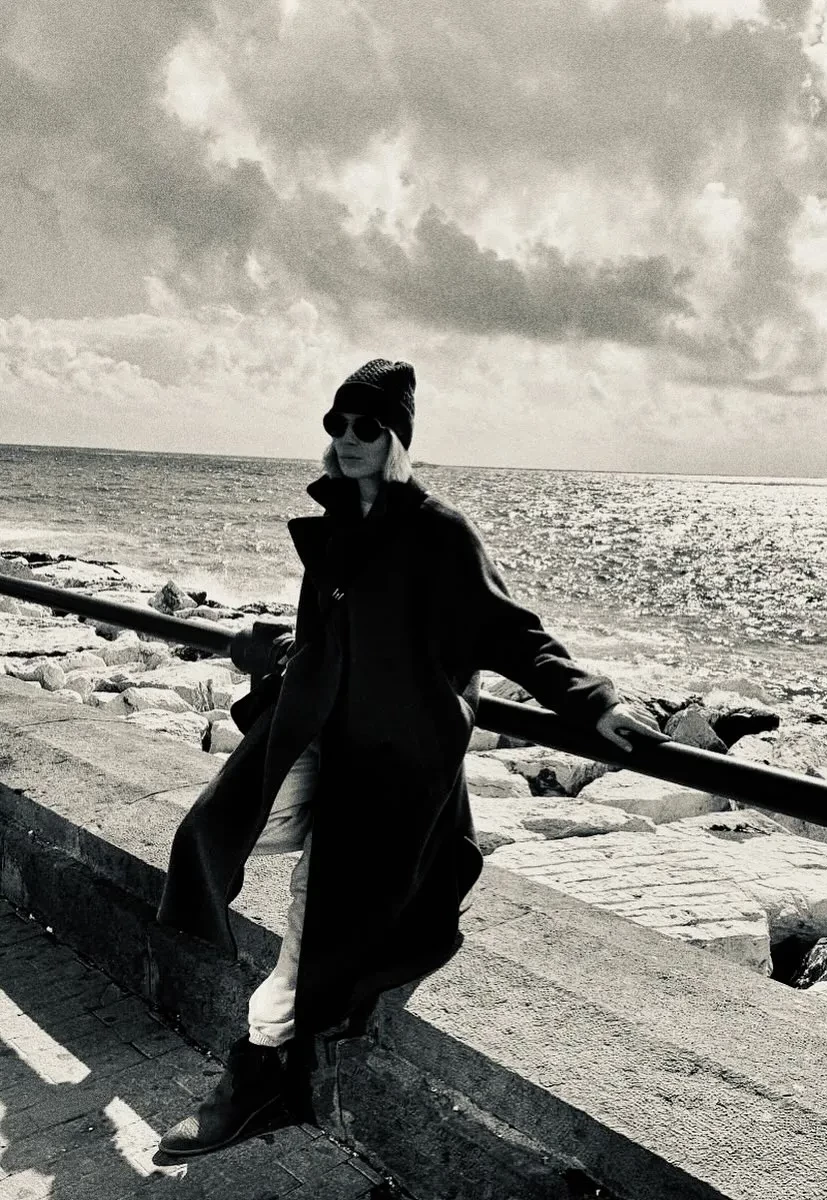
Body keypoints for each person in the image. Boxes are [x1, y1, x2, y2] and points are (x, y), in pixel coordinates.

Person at [155, 358, 667, 1157]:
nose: (349, 438)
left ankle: (257, 1071)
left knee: (317, 898)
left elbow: (512, 632)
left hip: (394, 760)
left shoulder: (439, 532)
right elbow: (327, 634)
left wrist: (593, 702)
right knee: (222, 827)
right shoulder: (335, 524)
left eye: (368, 426)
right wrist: (279, 660)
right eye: (338, 423)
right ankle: (345, 919)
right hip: (319, 732)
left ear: (396, 439)